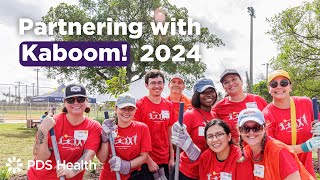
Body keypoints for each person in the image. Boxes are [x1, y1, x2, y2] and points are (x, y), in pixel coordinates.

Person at [27, 84, 102, 180]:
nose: (76, 103)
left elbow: (88, 156)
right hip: (40, 177)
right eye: (70, 100)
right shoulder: (52, 123)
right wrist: (42, 131)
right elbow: (40, 158)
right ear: (65, 103)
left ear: (86, 101)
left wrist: (71, 171)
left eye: (80, 99)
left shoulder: (93, 127)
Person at [262, 69, 320, 177]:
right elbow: (272, 150)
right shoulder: (266, 115)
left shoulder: (305, 103)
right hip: (283, 173)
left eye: (284, 83)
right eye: (274, 84)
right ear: (269, 89)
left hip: (307, 171)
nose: (279, 87)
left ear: (290, 87)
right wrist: (304, 147)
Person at [238, 108, 314, 180]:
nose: (251, 133)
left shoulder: (279, 151)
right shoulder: (246, 152)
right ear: (240, 131)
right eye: (246, 128)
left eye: (256, 128)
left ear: (264, 128)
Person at [97, 93, 152, 180]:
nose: (127, 112)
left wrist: (127, 165)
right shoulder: (108, 129)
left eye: (131, 109)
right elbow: (102, 159)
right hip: (109, 176)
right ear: (115, 109)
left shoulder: (142, 128)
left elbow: (144, 156)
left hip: (133, 176)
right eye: (123, 108)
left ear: (135, 110)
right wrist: (104, 140)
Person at [171, 78, 217, 179]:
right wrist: (185, 143)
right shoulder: (189, 115)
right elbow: (175, 146)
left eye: (211, 91)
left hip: (206, 171)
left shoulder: (215, 116)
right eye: (204, 92)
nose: (208, 95)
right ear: (197, 95)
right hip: (187, 172)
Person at [134, 69, 176, 179]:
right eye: (153, 83)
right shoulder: (139, 105)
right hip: (145, 160)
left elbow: (170, 133)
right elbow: (137, 137)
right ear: (146, 85)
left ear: (164, 84)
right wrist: (149, 161)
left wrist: (171, 158)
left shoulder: (169, 105)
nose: (157, 86)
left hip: (165, 160)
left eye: (159, 82)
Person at [212, 69, 268, 143]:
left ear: (241, 81)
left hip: (259, 149)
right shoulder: (218, 107)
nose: (231, 83)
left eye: (234, 79)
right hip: (234, 152)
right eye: (226, 82)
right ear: (224, 88)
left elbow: (269, 125)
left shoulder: (258, 100)